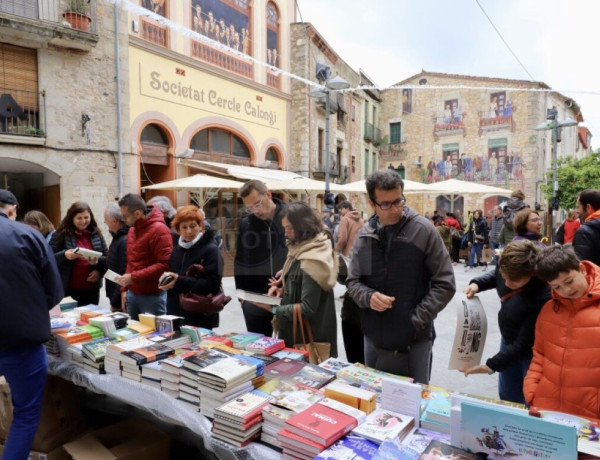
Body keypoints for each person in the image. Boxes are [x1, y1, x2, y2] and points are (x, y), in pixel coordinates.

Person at [346, 170, 456, 384]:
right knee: (375, 400)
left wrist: (416, 318)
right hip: (373, 338)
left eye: (399, 201)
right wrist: (368, 297)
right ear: (372, 203)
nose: (395, 209)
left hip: (414, 341)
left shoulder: (423, 231)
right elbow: (354, 281)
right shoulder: (367, 234)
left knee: (413, 404)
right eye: (386, 204)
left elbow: (445, 283)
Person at [0, 189, 63, 460]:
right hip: (20, 338)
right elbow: (52, 291)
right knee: (25, 413)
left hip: (18, 337)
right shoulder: (27, 235)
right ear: (12, 209)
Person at [462, 240, 550, 404]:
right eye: (505, 277)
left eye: (514, 282)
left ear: (531, 273)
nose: (507, 284)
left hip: (530, 350)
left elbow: (523, 344)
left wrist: (490, 366)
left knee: (529, 397)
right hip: (508, 339)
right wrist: (477, 284)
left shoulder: (542, 295)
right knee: (508, 393)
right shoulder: (507, 265)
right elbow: (494, 277)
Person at [524, 245, 600, 423]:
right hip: (546, 410)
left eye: (569, 281)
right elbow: (539, 355)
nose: (566, 290)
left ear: (581, 269)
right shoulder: (549, 310)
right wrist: (531, 391)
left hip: (591, 415)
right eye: (556, 286)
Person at [264, 202, 338, 356]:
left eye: (290, 228)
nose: (286, 233)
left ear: (303, 226)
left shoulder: (313, 257)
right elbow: (303, 287)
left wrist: (274, 309)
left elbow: (307, 308)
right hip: (300, 335)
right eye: (284, 228)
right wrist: (284, 290)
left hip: (308, 338)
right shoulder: (302, 249)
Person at [234, 180, 287, 336]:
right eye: (250, 207)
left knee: (288, 352)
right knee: (258, 350)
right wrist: (242, 297)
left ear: (268, 194)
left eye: (257, 204)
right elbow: (241, 260)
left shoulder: (291, 217)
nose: (255, 211)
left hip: (285, 297)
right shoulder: (247, 224)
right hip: (254, 300)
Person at [158, 205, 223, 328]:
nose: (189, 231)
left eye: (193, 226)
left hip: (200, 313)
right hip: (176, 313)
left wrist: (178, 280)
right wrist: (167, 280)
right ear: (178, 230)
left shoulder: (211, 250)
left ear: (200, 226)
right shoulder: (176, 250)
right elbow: (174, 278)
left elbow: (212, 284)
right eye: (184, 227)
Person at [117, 194, 173, 320]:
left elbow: (165, 265)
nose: (123, 220)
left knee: (155, 336)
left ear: (137, 214)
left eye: (125, 216)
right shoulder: (133, 229)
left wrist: (133, 277)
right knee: (134, 334)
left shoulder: (159, 230)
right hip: (133, 293)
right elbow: (131, 261)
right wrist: (124, 288)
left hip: (152, 295)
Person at [49, 201, 108, 306]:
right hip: (68, 289)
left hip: (91, 290)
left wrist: (98, 271)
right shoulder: (61, 234)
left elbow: (107, 259)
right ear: (72, 218)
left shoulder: (96, 234)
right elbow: (48, 258)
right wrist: (64, 255)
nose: (83, 221)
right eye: (79, 218)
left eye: (86, 217)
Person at [335, 201, 366, 365]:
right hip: (355, 313)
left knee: (356, 360)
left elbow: (342, 238)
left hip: (348, 260)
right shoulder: (361, 220)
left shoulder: (345, 219)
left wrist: (335, 254)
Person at [103, 203, 129, 312]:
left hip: (118, 299)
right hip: (115, 296)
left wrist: (115, 302)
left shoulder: (123, 240)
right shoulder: (117, 237)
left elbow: (123, 271)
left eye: (105, 219)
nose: (104, 222)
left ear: (114, 221)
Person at [573, 189, 600, 265]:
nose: (577, 211)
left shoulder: (584, 232)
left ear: (588, 207)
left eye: (578, 207)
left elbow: (583, 267)